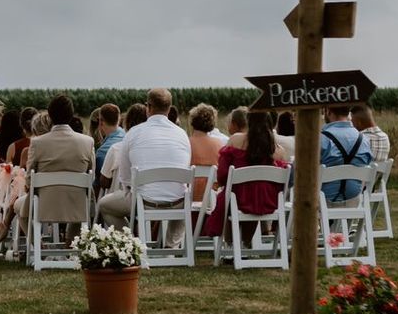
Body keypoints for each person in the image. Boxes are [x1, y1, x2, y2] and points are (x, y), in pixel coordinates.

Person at [97, 89, 191, 223]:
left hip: (144, 200)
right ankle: (171, 244)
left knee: (104, 205)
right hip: (178, 202)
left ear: (149, 107)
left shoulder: (133, 133)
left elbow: (125, 178)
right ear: (169, 108)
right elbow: (185, 170)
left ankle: (128, 242)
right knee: (184, 198)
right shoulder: (182, 134)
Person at [15, 95, 95, 237]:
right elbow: (91, 175)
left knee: (19, 208)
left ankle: (39, 247)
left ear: (50, 115)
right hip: (78, 205)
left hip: (43, 205)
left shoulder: (38, 143)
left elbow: (29, 180)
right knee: (83, 207)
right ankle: (71, 244)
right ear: (71, 115)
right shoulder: (87, 142)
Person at [205, 109, 290, 239]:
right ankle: (245, 242)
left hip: (238, 200)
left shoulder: (235, 140)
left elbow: (222, 175)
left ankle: (231, 245)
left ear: (248, 121)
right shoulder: (279, 151)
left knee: (231, 195)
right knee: (254, 192)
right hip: (268, 201)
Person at [318, 104, 374, 202]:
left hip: (323, 201)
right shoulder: (364, 140)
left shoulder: (321, 139)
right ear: (348, 113)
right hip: (354, 200)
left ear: (328, 111)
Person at [187, 104, 224, 202]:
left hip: (190, 198)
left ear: (192, 122)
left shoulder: (186, 144)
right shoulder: (219, 145)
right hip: (212, 199)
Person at [91, 104, 123, 176]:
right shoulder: (127, 137)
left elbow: (98, 182)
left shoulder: (101, 153)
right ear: (119, 119)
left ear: (101, 122)